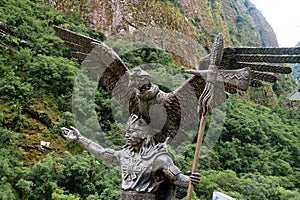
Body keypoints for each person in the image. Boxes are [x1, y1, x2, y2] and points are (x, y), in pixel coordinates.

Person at [61, 114, 200, 200]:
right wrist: (79, 139)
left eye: (132, 132)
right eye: (127, 131)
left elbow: (178, 180)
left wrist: (191, 179)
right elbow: (102, 153)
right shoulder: (124, 154)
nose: (127, 135)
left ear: (144, 134)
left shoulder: (159, 158)